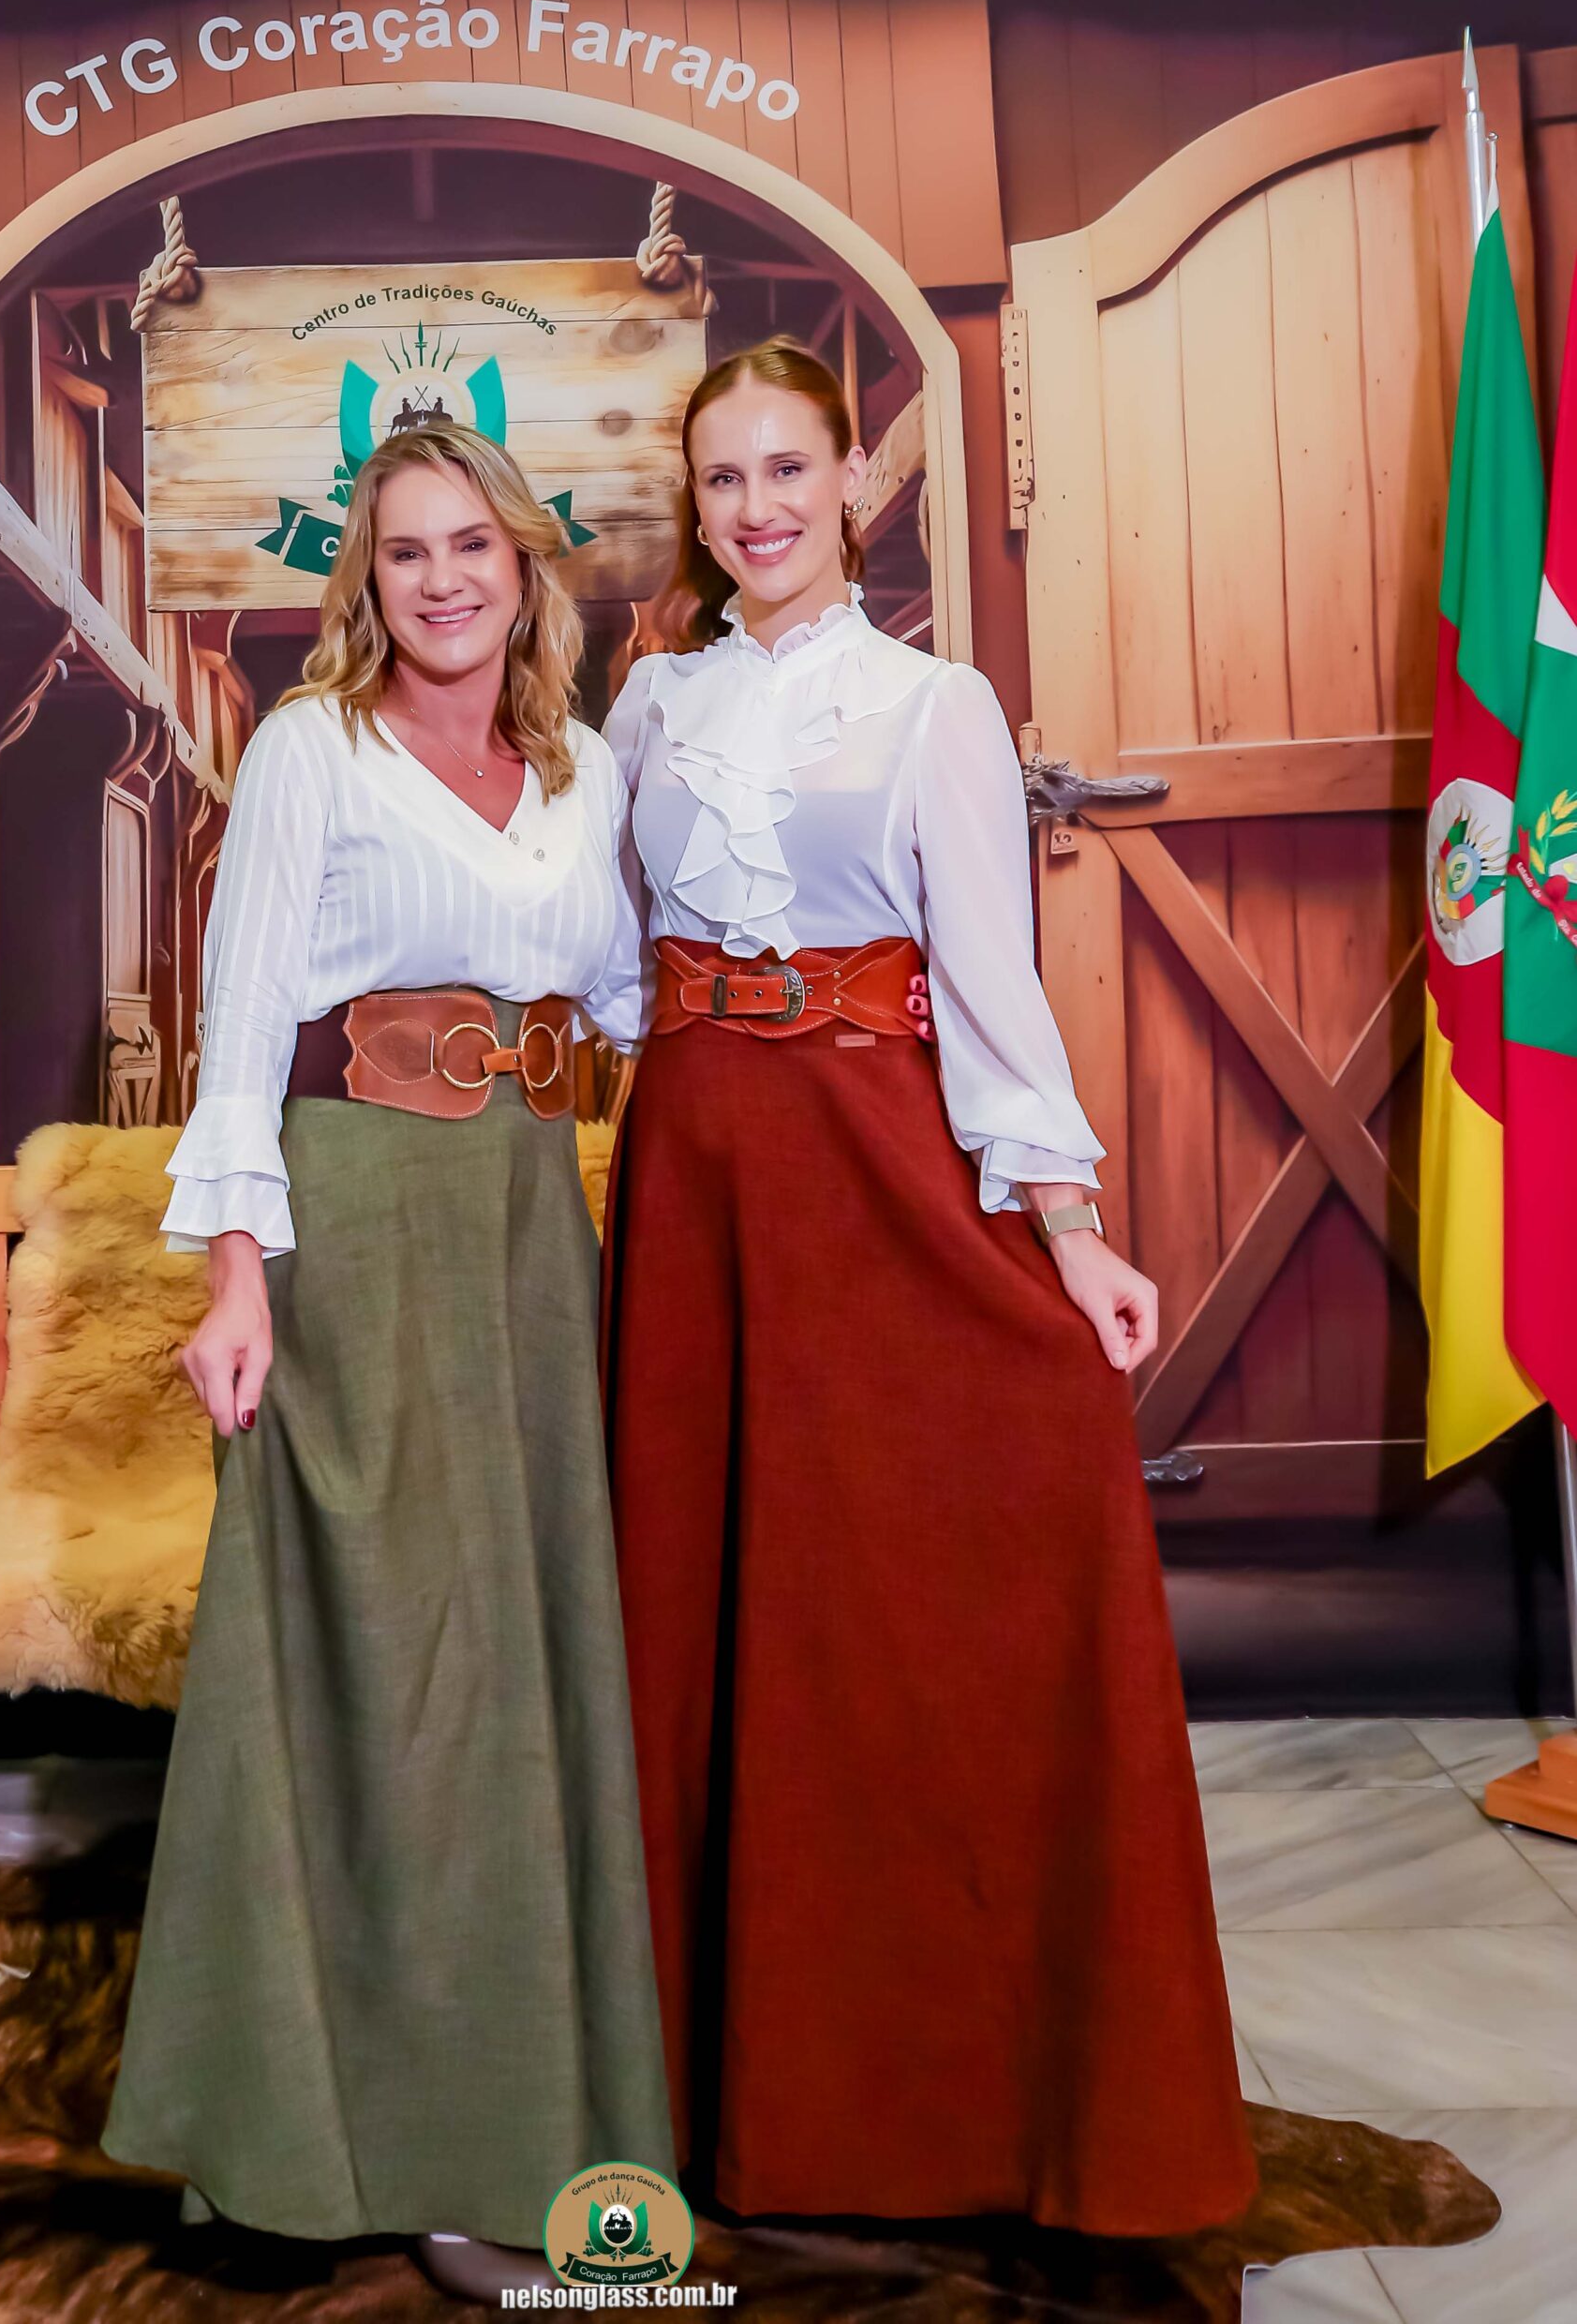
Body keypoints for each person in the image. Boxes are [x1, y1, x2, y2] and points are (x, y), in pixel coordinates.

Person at [600, 337, 1257, 2236]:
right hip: (693, 1174)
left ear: (849, 487)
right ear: (698, 508)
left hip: (873, 1160)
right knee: (708, 1611)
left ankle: (933, 2092)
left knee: (878, 1608)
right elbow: (605, 956)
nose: (758, 508)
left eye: (786, 469)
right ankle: (704, 2085)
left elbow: (986, 972)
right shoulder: (647, 707)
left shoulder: (932, 704)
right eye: (723, 479)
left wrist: (1068, 1222)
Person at [101, 421, 675, 2294]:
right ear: (370, 579)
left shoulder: (585, 768)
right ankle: (370, 2141)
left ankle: (528, 2109)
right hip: (357, 1220)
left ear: (523, 567)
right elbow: (242, 1018)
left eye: (472, 547)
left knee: (523, 1674)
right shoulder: (311, 748)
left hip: (528, 1230)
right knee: (394, 1680)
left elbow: (633, 1001)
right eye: (407, 551)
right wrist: (237, 1276)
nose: (443, 580)